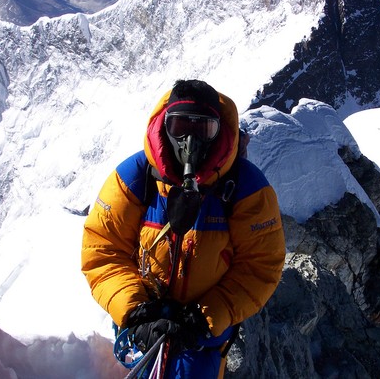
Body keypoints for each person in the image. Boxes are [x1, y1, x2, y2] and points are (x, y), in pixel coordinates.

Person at [81, 79, 286, 378]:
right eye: (180, 127)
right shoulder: (136, 178)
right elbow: (103, 249)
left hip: (201, 336)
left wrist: (206, 318)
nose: (189, 141)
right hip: (144, 326)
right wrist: (135, 311)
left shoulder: (245, 188)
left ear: (219, 132)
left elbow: (261, 265)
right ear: (165, 127)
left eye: (203, 129)